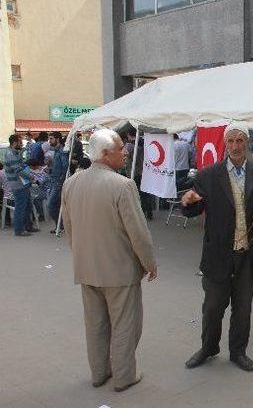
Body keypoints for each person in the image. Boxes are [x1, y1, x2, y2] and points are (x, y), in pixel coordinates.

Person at [61, 128, 158, 392]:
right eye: (120, 149)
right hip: (119, 271)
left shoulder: (71, 183)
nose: (125, 153)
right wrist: (149, 262)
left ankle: (99, 373)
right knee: (125, 325)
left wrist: (81, 254)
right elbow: (138, 232)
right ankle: (124, 376)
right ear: (105, 154)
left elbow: (69, 227)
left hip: (86, 267)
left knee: (95, 325)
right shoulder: (122, 185)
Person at [181, 122, 253, 372]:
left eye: (240, 140)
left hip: (248, 253)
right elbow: (193, 208)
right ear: (225, 143)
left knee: (243, 308)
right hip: (218, 254)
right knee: (213, 307)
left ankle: (238, 352)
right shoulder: (208, 175)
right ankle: (208, 348)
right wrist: (188, 201)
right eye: (231, 141)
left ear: (248, 143)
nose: (235, 146)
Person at [5, 134, 37, 236]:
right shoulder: (10, 154)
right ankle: (19, 230)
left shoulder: (15, 152)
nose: (21, 144)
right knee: (20, 208)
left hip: (23, 184)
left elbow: (22, 165)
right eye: (20, 142)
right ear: (14, 142)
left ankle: (28, 226)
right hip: (18, 185)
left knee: (28, 206)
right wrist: (31, 178)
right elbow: (19, 170)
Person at [48, 131, 69, 233]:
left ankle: (60, 225)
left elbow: (65, 166)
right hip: (54, 180)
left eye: (51, 138)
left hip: (58, 182)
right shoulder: (56, 151)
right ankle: (59, 226)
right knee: (56, 204)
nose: (49, 141)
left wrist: (61, 180)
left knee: (50, 204)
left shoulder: (62, 151)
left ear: (57, 139)